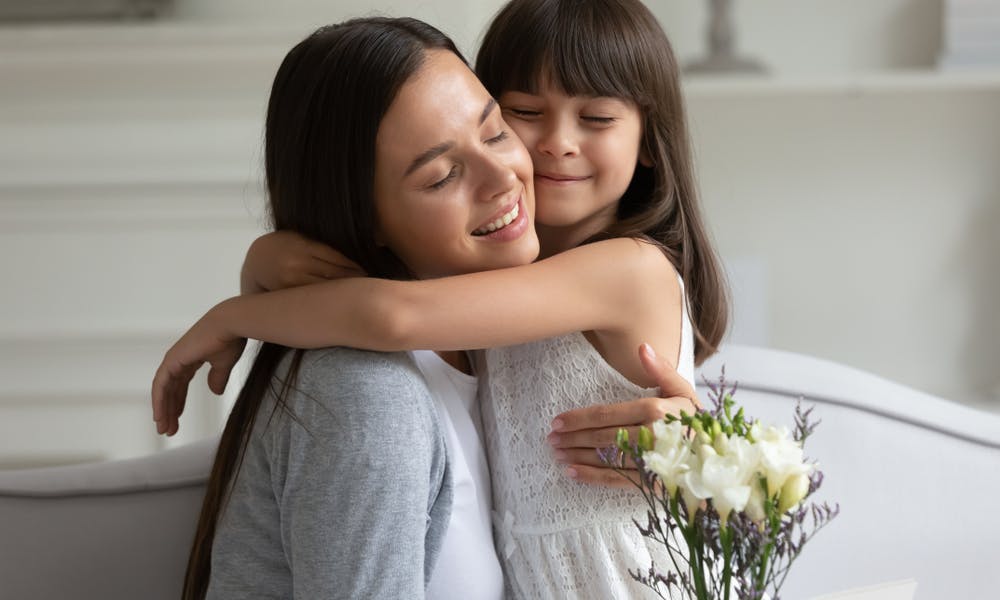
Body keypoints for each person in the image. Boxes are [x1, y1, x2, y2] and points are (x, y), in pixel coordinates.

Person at [154, 1, 726, 598]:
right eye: (525, 114)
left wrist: (237, 310)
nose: (528, 162)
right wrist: (265, 267)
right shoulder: (379, 385)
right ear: (362, 215)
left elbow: (395, 313)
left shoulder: (601, 277)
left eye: (495, 132)